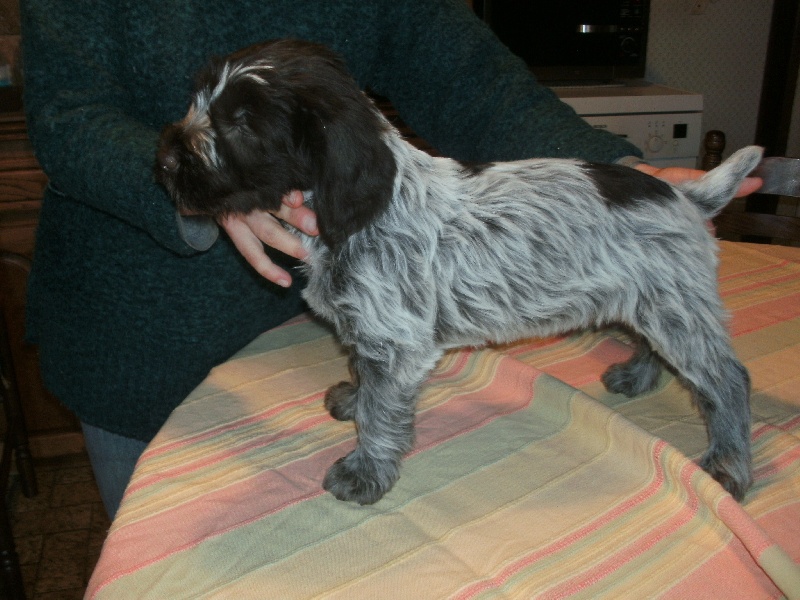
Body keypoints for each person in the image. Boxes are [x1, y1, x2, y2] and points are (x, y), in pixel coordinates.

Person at [19, 0, 760, 519]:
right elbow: (64, 110)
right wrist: (199, 188)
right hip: (131, 338)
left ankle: (729, 443)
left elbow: (466, 73)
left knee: (665, 325)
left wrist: (629, 176)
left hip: (640, 220)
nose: (191, 129)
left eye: (231, 121)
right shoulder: (352, 205)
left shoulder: (363, 203)